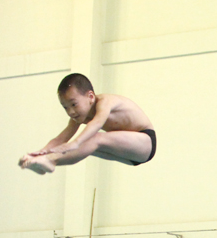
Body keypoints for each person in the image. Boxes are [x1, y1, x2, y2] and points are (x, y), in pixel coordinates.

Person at [19, 73, 156, 175]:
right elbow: (60, 139)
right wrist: (40, 153)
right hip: (130, 155)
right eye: (65, 107)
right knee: (87, 147)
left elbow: (97, 123)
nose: (71, 112)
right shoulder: (79, 116)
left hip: (145, 142)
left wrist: (76, 142)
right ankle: (44, 162)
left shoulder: (105, 102)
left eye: (74, 104)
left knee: (93, 138)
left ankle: (50, 160)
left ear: (90, 97)